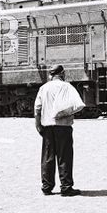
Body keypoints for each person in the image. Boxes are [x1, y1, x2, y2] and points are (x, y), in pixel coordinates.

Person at [34, 64, 85, 197]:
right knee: (65, 157)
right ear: (62, 74)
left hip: (47, 126)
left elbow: (37, 108)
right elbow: (77, 104)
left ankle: (47, 187)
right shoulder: (67, 86)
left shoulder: (43, 88)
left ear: (51, 75)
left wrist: (38, 125)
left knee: (47, 157)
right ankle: (66, 187)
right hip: (63, 126)